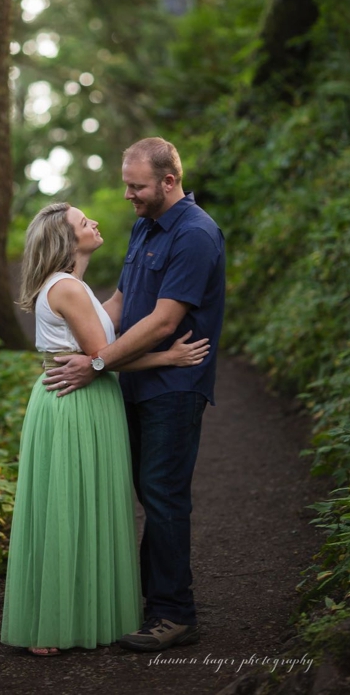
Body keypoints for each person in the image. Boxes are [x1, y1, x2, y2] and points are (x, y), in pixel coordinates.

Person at [0, 200, 210, 654]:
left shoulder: (75, 287)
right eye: (82, 222)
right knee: (70, 506)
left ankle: (66, 612)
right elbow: (102, 357)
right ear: (66, 239)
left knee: (74, 505)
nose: (93, 222)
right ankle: (52, 622)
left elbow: (112, 315)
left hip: (78, 400)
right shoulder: (69, 290)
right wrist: (169, 357)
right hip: (77, 402)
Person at [42, 137, 226, 652]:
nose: (128, 195)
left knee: (164, 495)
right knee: (147, 492)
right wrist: (78, 329)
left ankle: (174, 613)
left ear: (169, 181)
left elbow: (165, 320)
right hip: (136, 380)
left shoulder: (195, 235)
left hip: (175, 385)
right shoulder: (147, 224)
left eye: (136, 185)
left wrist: (97, 361)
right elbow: (123, 300)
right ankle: (148, 596)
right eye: (127, 184)